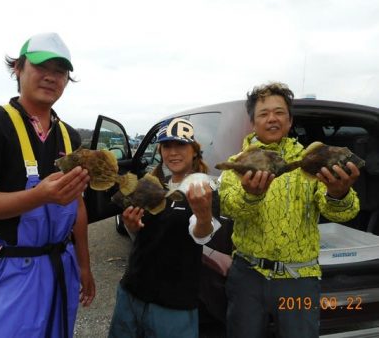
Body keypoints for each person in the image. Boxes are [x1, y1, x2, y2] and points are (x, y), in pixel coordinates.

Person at [0, 32, 95, 338]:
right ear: (18, 69)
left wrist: (84, 266)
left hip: (60, 267)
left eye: (60, 71)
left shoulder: (70, 137)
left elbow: (78, 206)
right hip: (8, 272)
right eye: (40, 66)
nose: (51, 77)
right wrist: (40, 196)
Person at [219, 82, 360, 338]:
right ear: (253, 122)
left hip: (300, 280)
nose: (272, 119)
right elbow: (229, 207)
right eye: (263, 114)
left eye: (279, 112)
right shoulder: (237, 163)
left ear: (290, 120)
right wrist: (250, 196)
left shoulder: (309, 160)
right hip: (248, 276)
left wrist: (339, 194)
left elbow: (342, 213)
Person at [108, 118, 221, 338]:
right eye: (167, 146)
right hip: (132, 290)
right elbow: (144, 232)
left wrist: (204, 215)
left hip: (174, 305)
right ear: (160, 151)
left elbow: (202, 235)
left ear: (194, 151)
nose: (173, 152)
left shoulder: (203, 188)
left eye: (181, 145)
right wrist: (133, 226)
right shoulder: (153, 183)